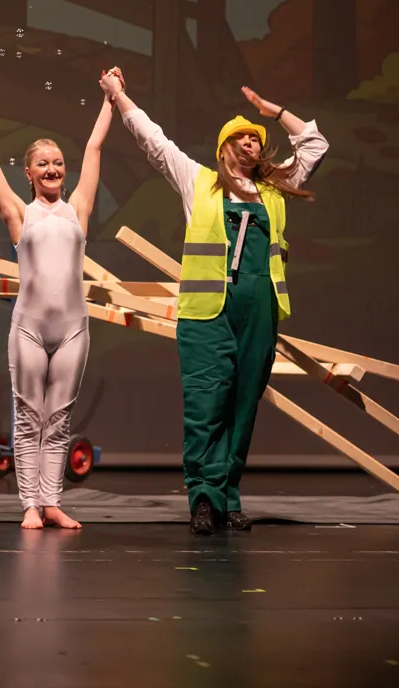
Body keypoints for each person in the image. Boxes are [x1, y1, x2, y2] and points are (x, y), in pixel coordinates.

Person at [100, 69, 330, 534]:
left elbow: (315, 144)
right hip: (208, 312)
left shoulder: (275, 186)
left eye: (256, 139)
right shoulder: (198, 182)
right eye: (243, 137)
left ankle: (228, 497)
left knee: (243, 406)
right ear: (226, 147)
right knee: (207, 404)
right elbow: (154, 141)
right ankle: (203, 498)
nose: (252, 143)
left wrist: (275, 112)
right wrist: (119, 94)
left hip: (259, 312)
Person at [0, 75, 114, 529]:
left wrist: (111, 99)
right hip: (30, 328)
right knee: (29, 414)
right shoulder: (21, 213)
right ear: (30, 172)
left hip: (74, 326)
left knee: (59, 417)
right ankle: (30, 505)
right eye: (44, 164)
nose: (54, 169)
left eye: (58, 163)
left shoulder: (79, 208)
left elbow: (94, 149)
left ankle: (52, 501)